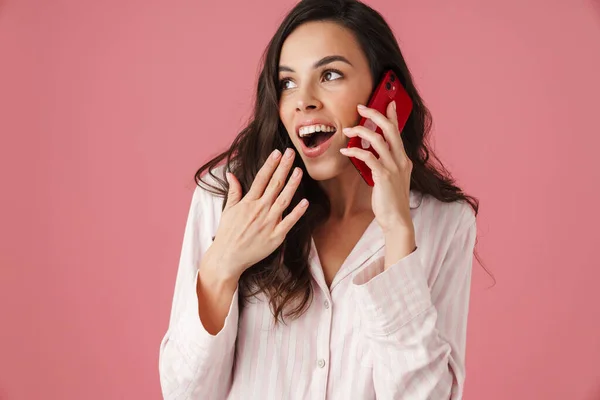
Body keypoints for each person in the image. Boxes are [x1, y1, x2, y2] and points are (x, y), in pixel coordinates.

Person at [159, 0, 485, 398]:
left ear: (387, 90)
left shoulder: (445, 223)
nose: (303, 101)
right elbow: (183, 393)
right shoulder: (226, 199)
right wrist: (221, 266)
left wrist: (399, 233)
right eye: (288, 83)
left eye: (330, 74)